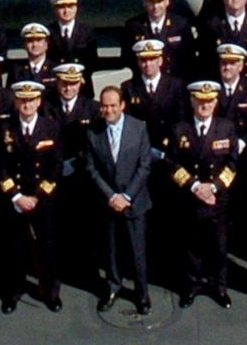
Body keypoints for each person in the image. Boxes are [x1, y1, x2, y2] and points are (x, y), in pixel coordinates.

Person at [163, 79, 238, 309]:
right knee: (191, 245)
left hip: (217, 199)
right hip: (191, 198)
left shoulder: (226, 128)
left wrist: (213, 187)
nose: (204, 106)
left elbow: (232, 163)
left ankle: (219, 287)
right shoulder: (179, 129)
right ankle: (192, 285)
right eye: (200, 101)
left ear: (216, 103)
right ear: (192, 101)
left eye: (209, 101)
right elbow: (172, 164)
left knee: (218, 246)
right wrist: (195, 186)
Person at [0, 78, 65, 313]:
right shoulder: (5, 129)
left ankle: (50, 292)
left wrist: (37, 197)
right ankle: (13, 291)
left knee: (48, 247)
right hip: (15, 200)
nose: (27, 105)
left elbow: (56, 166)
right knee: (14, 248)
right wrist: (15, 197)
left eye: (31, 100)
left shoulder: (51, 127)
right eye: (22, 100)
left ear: (39, 101)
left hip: (41, 198)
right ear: (16, 102)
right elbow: (2, 167)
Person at [84, 84, 152, 315]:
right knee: (111, 250)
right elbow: (91, 168)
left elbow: (144, 166)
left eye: (113, 105)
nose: (108, 110)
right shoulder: (93, 131)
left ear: (123, 105)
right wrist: (111, 196)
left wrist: (127, 196)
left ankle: (142, 294)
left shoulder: (139, 127)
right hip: (108, 202)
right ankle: (113, 286)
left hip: (134, 201)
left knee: (137, 251)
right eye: (104, 106)